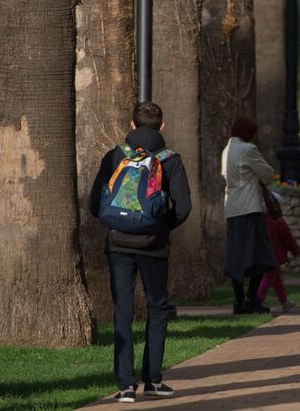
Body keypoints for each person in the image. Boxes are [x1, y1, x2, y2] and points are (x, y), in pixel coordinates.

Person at [89, 101, 191, 403]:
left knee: (123, 310)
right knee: (157, 308)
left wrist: (118, 223)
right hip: (154, 247)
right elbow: (183, 208)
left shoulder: (115, 156)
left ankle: (125, 386)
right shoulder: (170, 159)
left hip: (118, 244)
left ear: (132, 125)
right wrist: (159, 227)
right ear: (162, 126)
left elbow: (95, 203)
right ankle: (153, 381)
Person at [222, 116, 279, 315]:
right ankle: (252, 298)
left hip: (232, 208)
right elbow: (268, 174)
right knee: (262, 255)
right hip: (250, 207)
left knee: (237, 256)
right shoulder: (248, 150)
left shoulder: (227, 149)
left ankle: (239, 301)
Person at [257, 191, 300, 314]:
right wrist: (296, 251)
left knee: (276, 280)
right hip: (275, 256)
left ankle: (284, 302)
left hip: (265, 255)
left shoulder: (261, 221)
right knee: (269, 279)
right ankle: (257, 301)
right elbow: (288, 239)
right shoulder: (278, 221)